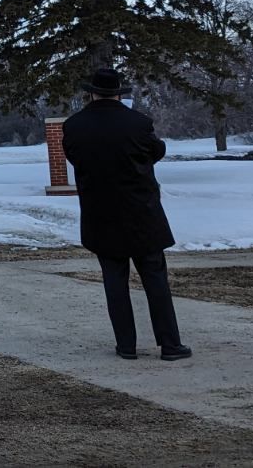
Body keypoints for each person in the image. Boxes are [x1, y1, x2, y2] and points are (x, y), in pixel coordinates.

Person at [63, 68, 190, 362]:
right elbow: (155, 151)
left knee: (114, 281)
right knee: (155, 278)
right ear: (119, 93)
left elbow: (74, 158)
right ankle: (170, 344)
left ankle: (126, 345)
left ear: (91, 92)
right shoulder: (138, 123)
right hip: (141, 212)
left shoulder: (74, 126)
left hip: (100, 214)